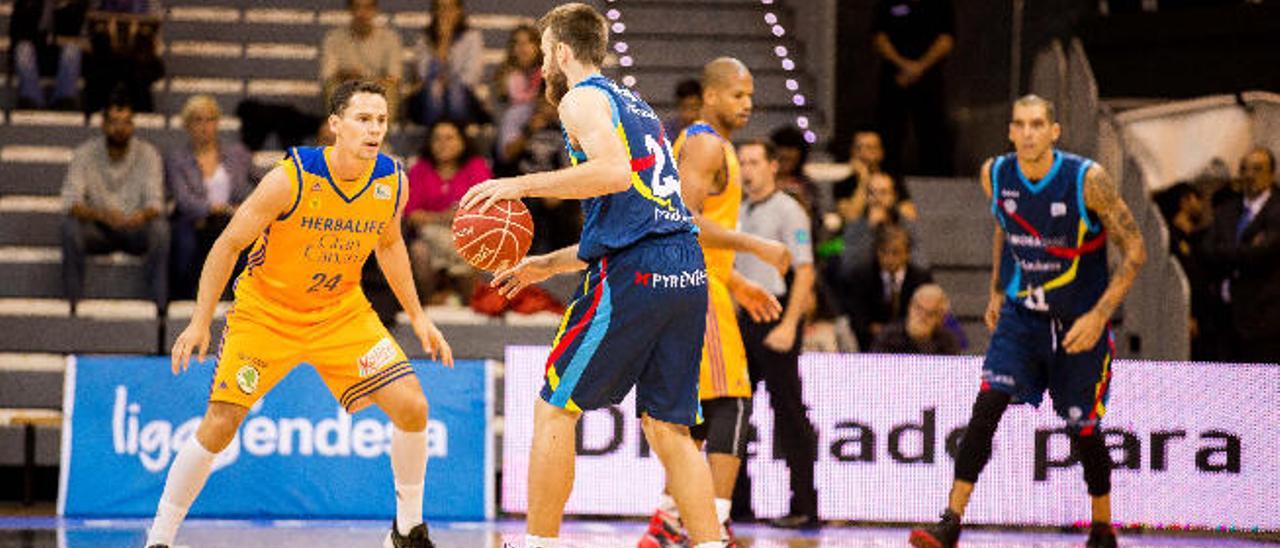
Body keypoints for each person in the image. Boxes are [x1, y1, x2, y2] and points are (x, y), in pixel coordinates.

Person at [458, 5, 743, 547]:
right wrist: (547, 263)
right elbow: (635, 213)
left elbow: (611, 174)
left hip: (638, 271)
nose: (543, 66)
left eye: (544, 54)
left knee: (553, 409)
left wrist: (517, 186)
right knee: (669, 429)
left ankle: (540, 544)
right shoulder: (634, 105)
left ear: (562, 52)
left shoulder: (579, 98)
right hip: (685, 265)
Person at [145, 80, 454, 548]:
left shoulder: (393, 180)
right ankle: (159, 540)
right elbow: (228, 244)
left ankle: (406, 531)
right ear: (335, 125)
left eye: (381, 120)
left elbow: (389, 246)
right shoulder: (291, 177)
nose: (374, 129)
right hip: (266, 314)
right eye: (362, 119)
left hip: (341, 314)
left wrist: (420, 317)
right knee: (221, 422)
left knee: (413, 406)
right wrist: (200, 320)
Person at [909, 95, 1146, 548]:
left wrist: (1100, 316)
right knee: (986, 407)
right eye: (1020, 124)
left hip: (1079, 322)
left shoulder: (1087, 179)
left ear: (1054, 131)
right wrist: (997, 287)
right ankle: (950, 521)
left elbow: (1136, 250)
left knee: (1084, 428)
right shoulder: (994, 174)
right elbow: (1006, 224)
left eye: (1038, 124)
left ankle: (1102, 526)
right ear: (1010, 131)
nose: (1029, 133)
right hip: (1023, 316)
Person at [641, 57, 787, 547]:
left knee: (699, 409)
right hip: (694, 287)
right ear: (710, 96)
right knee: (732, 402)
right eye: (738, 95)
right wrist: (757, 246)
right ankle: (711, 523)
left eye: (750, 95)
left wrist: (738, 282)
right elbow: (683, 219)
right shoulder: (705, 143)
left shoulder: (699, 141)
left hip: (703, 282)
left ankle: (670, 520)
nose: (747, 104)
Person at [732, 139, 820, 529]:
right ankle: (737, 504)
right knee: (733, 409)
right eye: (742, 162)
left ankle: (804, 505)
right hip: (742, 319)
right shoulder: (738, 208)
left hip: (776, 315)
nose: (748, 169)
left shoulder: (789, 210)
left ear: (773, 166)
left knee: (788, 413)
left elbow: (805, 270)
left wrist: (789, 325)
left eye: (754, 162)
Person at [61, 92, 167, 315]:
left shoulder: (148, 154)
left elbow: (156, 203)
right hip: (99, 229)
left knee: (160, 229)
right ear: (103, 124)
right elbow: (71, 202)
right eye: (114, 122)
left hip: (135, 227)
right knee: (70, 227)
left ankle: (158, 307)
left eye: (126, 122)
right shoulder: (84, 153)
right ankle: (73, 305)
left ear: (133, 124)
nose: (120, 128)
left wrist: (138, 217)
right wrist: (103, 215)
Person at [165, 95, 254, 300]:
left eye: (210, 119)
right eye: (198, 120)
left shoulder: (237, 154)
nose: (205, 126)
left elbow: (265, 182)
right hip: (193, 221)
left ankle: (241, 300)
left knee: (245, 236)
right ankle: (185, 300)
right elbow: (183, 200)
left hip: (230, 221)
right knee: (186, 241)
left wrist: (247, 206)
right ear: (187, 125)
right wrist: (218, 209)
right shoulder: (176, 158)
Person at [1201, 147, 1280, 363]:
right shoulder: (1226, 210)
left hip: (1264, 318)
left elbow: (1263, 253)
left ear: (1271, 174)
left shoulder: (1276, 210)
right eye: (1245, 169)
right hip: (1226, 316)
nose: (1250, 175)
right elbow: (1207, 250)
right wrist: (1243, 250)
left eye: (1257, 169)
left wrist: (1226, 250)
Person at [404, 119, 492, 305]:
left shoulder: (476, 166)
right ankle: (430, 302)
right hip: (428, 238)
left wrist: (432, 217)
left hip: (467, 236)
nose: (443, 144)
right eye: (437, 139)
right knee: (419, 251)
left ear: (462, 142)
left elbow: (482, 211)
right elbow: (412, 216)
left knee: (473, 249)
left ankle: (468, 302)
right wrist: (449, 215)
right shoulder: (420, 169)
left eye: (449, 138)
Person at [871, 0, 955, 176]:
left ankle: (935, 178)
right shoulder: (887, 4)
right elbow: (879, 37)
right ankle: (888, 177)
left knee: (932, 133)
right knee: (890, 131)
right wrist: (903, 65)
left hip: (929, 79)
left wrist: (920, 67)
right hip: (894, 77)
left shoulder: (941, 4)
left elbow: (946, 38)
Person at [1153, 181, 1219, 360]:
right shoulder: (1170, 241)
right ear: (1185, 201)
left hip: (1205, 322)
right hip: (1184, 322)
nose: (1202, 206)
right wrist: (1185, 314)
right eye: (1197, 199)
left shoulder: (1195, 240)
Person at [842, 224, 932, 350]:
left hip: (912, 346)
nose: (889, 259)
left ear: (907, 254)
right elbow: (858, 317)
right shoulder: (862, 276)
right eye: (883, 252)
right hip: (869, 346)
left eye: (896, 253)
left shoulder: (921, 279)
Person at [408, 0, 486, 126]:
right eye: (440, 8)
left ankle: (454, 133)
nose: (445, 13)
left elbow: (471, 77)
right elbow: (424, 74)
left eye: (449, 8)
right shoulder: (424, 39)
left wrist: (447, 83)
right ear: (434, 12)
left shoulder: (472, 37)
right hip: (430, 97)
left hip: (461, 96)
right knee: (434, 88)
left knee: (454, 91)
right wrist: (443, 42)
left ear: (459, 11)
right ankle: (436, 133)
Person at [320, 0, 403, 118]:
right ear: (350, 10)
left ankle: (378, 133)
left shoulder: (390, 39)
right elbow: (328, 75)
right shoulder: (333, 39)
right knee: (333, 88)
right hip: (347, 89)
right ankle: (343, 130)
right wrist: (345, 75)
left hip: (377, 90)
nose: (361, 13)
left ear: (375, 11)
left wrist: (367, 83)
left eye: (367, 8)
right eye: (357, 7)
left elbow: (394, 77)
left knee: (390, 90)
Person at [83, 1, 164, 113]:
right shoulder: (99, 3)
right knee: (100, 68)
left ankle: (142, 114)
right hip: (106, 56)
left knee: (137, 69)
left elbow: (155, 34)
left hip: (138, 57)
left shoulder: (149, 3)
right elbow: (89, 28)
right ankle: (96, 112)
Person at [9, 0, 87, 110]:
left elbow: (73, 33)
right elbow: (17, 34)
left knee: (72, 49)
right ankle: (32, 99)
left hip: (61, 59)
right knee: (23, 48)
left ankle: (64, 99)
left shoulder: (76, 4)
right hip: (35, 57)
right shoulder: (26, 3)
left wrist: (61, 7)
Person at [870, 283, 959, 354]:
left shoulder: (947, 342)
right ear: (910, 307)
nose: (922, 316)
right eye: (919, 309)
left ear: (940, 319)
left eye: (930, 313)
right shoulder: (888, 337)